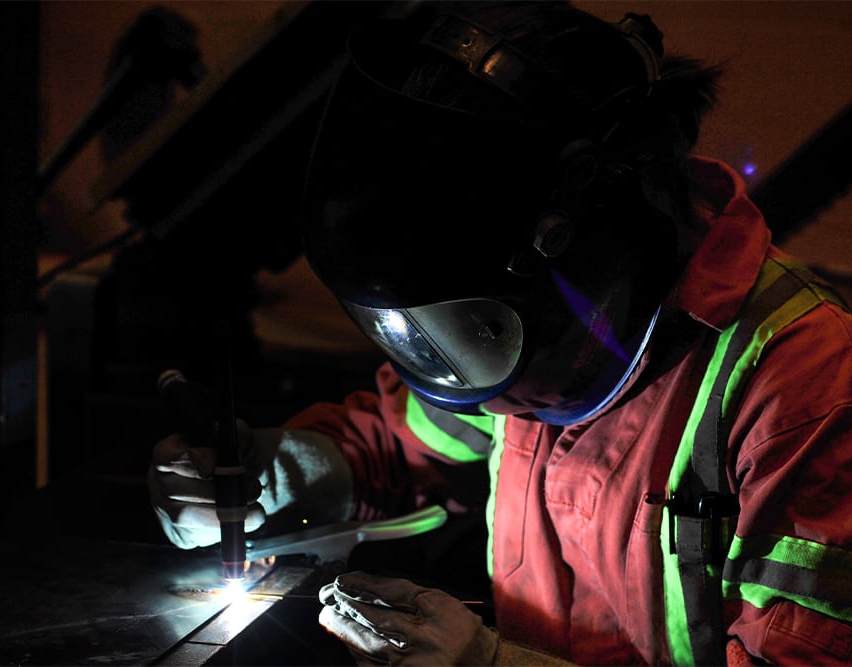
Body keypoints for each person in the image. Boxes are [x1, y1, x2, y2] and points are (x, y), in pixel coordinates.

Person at [148, 2, 852, 664]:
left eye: (476, 326)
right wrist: (279, 478)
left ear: (576, 237)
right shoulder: (533, 347)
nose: (482, 376)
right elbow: (405, 438)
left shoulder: (804, 391)